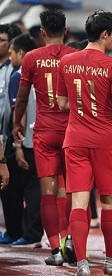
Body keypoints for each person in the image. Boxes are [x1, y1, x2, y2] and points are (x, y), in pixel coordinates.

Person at [56, 10, 112, 275]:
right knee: (108, 199)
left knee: (78, 201)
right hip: (104, 139)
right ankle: (111, 260)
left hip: (75, 138)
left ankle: (82, 263)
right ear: (104, 34)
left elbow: (62, 103)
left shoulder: (67, 61)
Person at [12, 9, 76, 265]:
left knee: (47, 192)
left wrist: (17, 122)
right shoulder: (76, 56)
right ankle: (69, 239)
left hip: (44, 131)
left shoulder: (31, 57)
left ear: (41, 32)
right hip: (72, 131)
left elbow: (24, 95)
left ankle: (55, 249)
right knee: (73, 190)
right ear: (66, 31)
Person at [7, 34, 44, 247]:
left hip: (29, 140)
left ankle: (30, 233)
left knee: (32, 188)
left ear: (22, 53)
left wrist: (17, 145)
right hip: (44, 136)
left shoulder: (19, 75)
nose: (10, 57)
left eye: (12, 53)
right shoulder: (43, 71)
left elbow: (17, 113)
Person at [0, 23, 22, 245]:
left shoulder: (14, 71)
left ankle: (15, 230)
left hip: (6, 136)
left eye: (2, 40)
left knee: (10, 189)